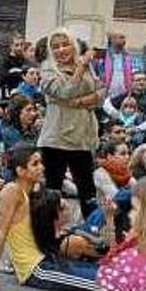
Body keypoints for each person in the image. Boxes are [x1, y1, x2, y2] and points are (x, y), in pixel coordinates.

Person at [0, 146, 102, 291]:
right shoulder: (12, 191)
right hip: (36, 269)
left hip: (49, 259)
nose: (41, 167)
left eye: (41, 162)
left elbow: (60, 220)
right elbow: (1, 233)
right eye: (35, 164)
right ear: (20, 171)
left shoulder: (34, 190)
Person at [38, 28, 100, 218]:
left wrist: (80, 101)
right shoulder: (48, 69)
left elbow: (100, 93)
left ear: (73, 46)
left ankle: (94, 230)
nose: (61, 50)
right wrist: (80, 69)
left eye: (65, 45)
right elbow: (64, 91)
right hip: (57, 138)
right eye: (55, 47)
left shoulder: (86, 65)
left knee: (88, 190)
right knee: (53, 190)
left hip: (83, 137)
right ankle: (47, 234)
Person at [95, 30, 136, 101]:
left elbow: (132, 74)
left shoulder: (128, 56)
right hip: (107, 93)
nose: (124, 40)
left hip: (124, 94)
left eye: (124, 38)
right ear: (112, 40)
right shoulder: (104, 55)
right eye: (121, 37)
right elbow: (96, 71)